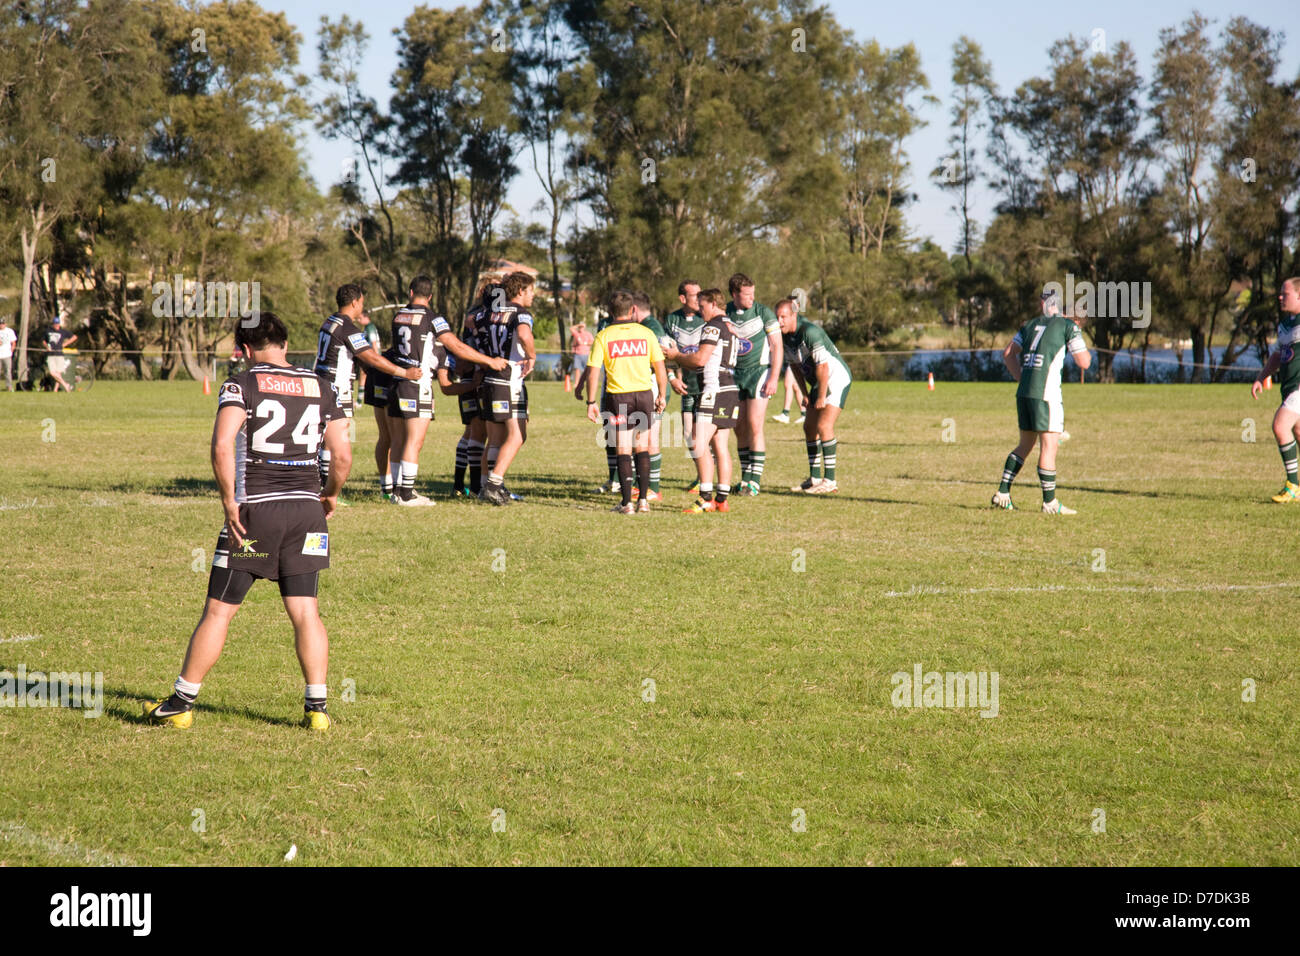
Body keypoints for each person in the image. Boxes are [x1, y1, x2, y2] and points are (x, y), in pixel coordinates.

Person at [143, 312, 351, 731]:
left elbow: (222, 444)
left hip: (257, 510)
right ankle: (318, 710)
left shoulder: (242, 383)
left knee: (219, 611)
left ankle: (182, 701)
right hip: (307, 512)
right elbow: (342, 455)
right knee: (306, 612)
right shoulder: (322, 386)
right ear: (286, 345)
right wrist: (330, 494)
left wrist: (228, 502)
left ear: (244, 349)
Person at [387, 275, 506, 506]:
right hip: (418, 384)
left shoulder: (398, 315)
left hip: (397, 380)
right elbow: (456, 346)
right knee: (414, 442)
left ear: (411, 293)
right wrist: (489, 361)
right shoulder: (433, 318)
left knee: (399, 440)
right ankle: (407, 494)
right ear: (430, 296)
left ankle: (397, 490)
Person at [991, 288, 1092, 514]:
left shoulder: (1029, 324)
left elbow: (1008, 353)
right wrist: (1083, 349)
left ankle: (1002, 493)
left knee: (1025, 445)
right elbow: (1084, 362)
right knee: (1049, 446)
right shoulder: (1069, 327)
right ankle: (1050, 503)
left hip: (1025, 393)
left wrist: (1023, 378)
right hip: (1046, 396)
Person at [314, 284, 419, 495]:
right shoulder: (348, 327)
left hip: (320, 383)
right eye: (361, 302)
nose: (362, 306)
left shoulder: (330, 321)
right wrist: (403, 373)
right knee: (338, 442)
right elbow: (370, 357)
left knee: (325, 440)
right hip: (337, 388)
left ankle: (320, 487)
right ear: (354, 302)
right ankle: (327, 491)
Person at [584, 290, 668, 513]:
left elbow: (593, 372)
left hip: (618, 397)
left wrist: (590, 401)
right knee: (642, 447)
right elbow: (660, 366)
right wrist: (661, 394)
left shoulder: (604, 336)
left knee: (622, 448)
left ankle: (626, 504)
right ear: (633, 310)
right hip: (643, 395)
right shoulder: (646, 333)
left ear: (610, 312)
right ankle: (643, 501)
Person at [664, 288, 741, 514]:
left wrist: (676, 356)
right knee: (720, 446)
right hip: (730, 389)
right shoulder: (730, 325)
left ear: (714, 303)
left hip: (714, 389)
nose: (700, 310)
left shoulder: (713, 325)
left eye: (703, 306)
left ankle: (705, 498)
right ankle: (722, 499)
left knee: (698, 442)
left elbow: (700, 359)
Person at [778, 300, 852, 493]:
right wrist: (804, 393)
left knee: (824, 426)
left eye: (783, 317)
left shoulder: (810, 332)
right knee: (809, 427)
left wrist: (820, 397)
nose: (779, 321)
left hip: (834, 378)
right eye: (777, 316)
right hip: (819, 381)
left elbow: (823, 367)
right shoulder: (785, 337)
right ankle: (814, 478)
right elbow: (794, 366)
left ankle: (830, 481)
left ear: (794, 315)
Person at [477, 272, 537, 506]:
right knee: (517, 435)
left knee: (496, 438)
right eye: (531, 290)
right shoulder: (521, 313)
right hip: (509, 378)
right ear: (520, 291)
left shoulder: (493, 311)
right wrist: (532, 356)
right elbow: (523, 334)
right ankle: (493, 484)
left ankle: (488, 486)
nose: (533, 295)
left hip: (491, 378)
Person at [725, 273, 783, 495]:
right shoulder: (726, 312)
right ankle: (745, 477)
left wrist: (773, 376)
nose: (751, 298)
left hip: (758, 373)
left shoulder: (763, 312)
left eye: (753, 293)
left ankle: (755, 482)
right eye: (747, 294)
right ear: (734, 294)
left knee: (754, 424)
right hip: (733, 375)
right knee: (739, 427)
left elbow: (776, 345)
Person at [1251, 277, 1300, 502]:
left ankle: (1292, 485)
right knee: (1297, 432)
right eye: (1280, 293)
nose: (1280, 297)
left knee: (1280, 427)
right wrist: (1262, 377)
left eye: (1285, 293)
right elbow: (1278, 356)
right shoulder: (1285, 326)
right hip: (1289, 388)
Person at [451, 282, 495, 498]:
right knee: (479, 430)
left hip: (468, 378)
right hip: (477, 379)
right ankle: (477, 486)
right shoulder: (481, 317)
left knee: (470, 431)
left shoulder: (472, 315)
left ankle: (459, 484)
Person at [664, 280, 708, 492]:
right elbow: (667, 353)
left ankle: (706, 478)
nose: (699, 299)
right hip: (687, 385)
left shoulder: (706, 316)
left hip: (707, 384)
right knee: (689, 434)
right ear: (683, 298)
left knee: (705, 434)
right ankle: (702, 474)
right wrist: (672, 377)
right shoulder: (672, 320)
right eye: (695, 295)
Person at [629, 291, 668, 501]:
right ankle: (641, 483)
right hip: (648, 386)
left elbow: (660, 361)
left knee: (650, 438)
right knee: (640, 437)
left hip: (653, 387)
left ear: (634, 309)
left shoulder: (651, 329)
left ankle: (654, 488)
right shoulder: (650, 327)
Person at [44, 316, 77, 392]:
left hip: (59, 354)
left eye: (57, 323)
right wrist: (46, 346)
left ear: (59, 324)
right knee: (52, 373)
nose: (56, 325)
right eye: (55, 323)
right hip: (51, 355)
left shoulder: (63, 331)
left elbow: (74, 337)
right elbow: (44, 341)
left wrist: (65, 344)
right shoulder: (48, 331)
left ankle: (55, 390)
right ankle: (66, 385)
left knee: (58, 374)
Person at [0, 317, 15, 391]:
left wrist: (11, 350)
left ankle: (9, 387)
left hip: (7, 355)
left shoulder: (9, 331)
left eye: (2, 324)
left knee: (8, 372)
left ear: (5, 324)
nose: (1, 325)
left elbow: (13, 342)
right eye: (0, 324)